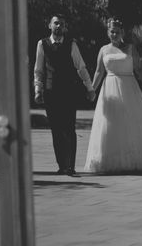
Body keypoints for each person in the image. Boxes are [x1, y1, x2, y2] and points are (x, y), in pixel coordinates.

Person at [84, 18, 142, 173]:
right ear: (108, 32)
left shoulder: (130, 48)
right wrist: (92, 89)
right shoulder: (103, 50)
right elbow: (99, 71)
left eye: (117, 32)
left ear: (122, 33)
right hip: (110, 88)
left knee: (133, 122)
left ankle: (136, 159)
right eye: (111, 31)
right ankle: (111, 160)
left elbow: (138, 69)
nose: (114, 34)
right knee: (112, 125)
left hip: (130, 88)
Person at [34, 14, 96, 177]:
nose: (58, 26)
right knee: (56, 129)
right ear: (50, 25)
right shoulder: (42, 44)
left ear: (65, 26)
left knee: (69, 128)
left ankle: (70, 166)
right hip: (50, 92)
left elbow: (81, 67)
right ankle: (62, 165)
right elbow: (38, 70)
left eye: (61, 24)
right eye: (55, 23)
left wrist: (89, 88)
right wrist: (37, 90)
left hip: (68, 92)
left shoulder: (71, 44)